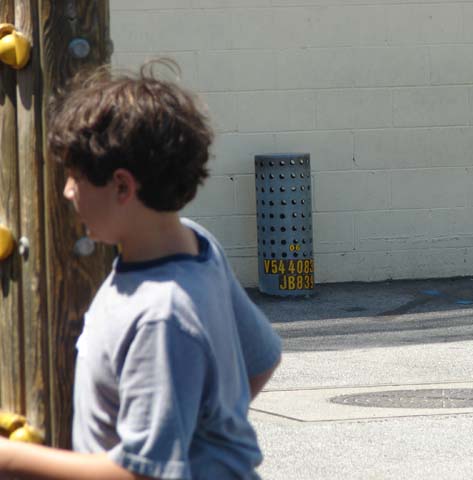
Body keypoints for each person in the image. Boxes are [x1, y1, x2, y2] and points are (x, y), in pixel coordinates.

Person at [0, 60, 281, 479]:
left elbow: (141, 474)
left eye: (75, 178)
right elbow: (261, 359)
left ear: (122, 186)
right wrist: (205, 440)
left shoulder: (160, 314)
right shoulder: (198, 244)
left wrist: (8, 458)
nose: (67, 192)